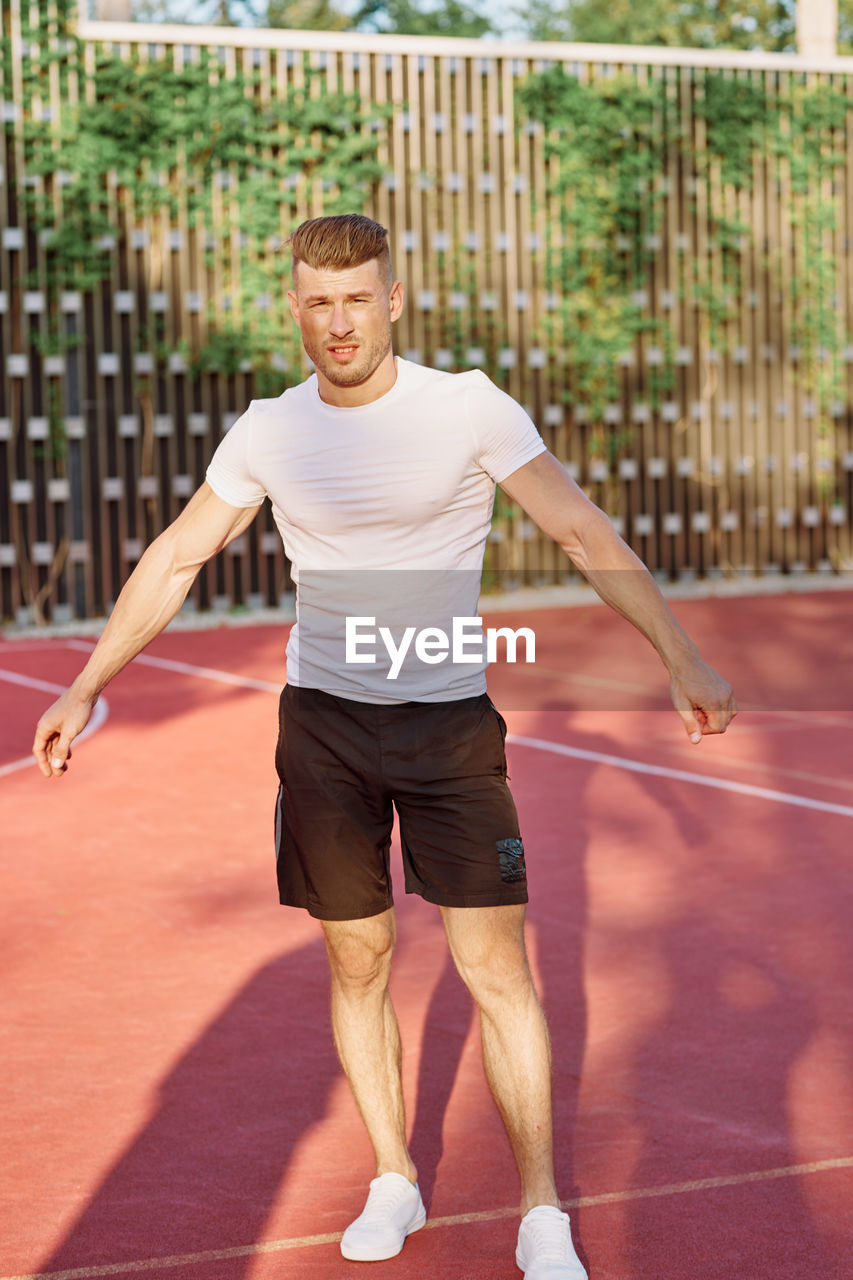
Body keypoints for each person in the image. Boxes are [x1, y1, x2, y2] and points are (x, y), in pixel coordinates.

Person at [33, 213, 736, 1279]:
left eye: (357, 296)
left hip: (449, 727)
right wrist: (86, 682)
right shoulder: (270, 428)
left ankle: (540, 1210)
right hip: (321, 728)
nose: (339, 320)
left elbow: (581, 530)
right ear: (295, 310)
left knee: (493, 965)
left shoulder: (465, 406)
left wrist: (680, 655)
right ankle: (395, 1175)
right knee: (357, 957)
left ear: (393, 299)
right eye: (318, 301)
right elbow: (179, 553)